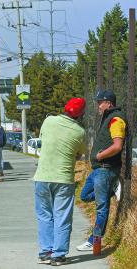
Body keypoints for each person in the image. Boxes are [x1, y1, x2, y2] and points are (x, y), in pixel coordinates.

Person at [33, 98, 86, 266]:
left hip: (42, 177)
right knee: (62, 217)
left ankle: (46, 252)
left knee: (44, 216)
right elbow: (79, 154)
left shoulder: (48, 121)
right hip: (63, 179)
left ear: (64, 108)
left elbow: (42, 141)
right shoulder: (80, 132)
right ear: (81, 114)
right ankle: (59, 255)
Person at [76, 90, 125, 252]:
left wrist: (100, 155)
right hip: (99, 170)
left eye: (100, 102)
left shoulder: (116, 119)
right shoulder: (107, 118)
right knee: (84, 196)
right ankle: (112, 189)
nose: (97, 105)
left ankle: (94, 240)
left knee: (101, 208)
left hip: (105, 169)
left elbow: (117, 146)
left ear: (109, 103)